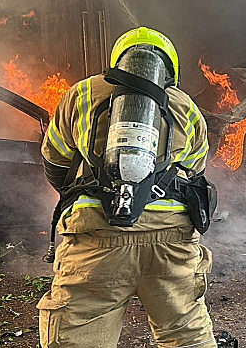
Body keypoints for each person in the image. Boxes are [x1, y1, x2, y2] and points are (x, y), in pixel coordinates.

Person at [38, 27, 216, 348]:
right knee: (186, 333)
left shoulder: (82, 94)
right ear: (170, 69)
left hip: (97, 238)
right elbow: (195, 175)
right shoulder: (186, 106)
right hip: (172, 241)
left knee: (79, 338)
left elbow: (56, 162)